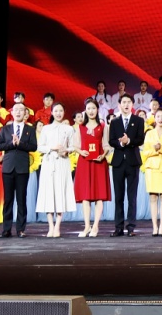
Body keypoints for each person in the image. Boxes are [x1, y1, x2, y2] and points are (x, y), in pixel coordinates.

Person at [36, 102, 77, 238]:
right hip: (48, 163)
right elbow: (40, 147)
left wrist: (66, 150)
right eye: (56, 111)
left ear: (64, 112)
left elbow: (73, 146)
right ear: (52, 112)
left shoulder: (69, 129)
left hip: (62, 163)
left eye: (61, 111)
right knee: (49, 194)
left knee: (60, 193)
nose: (58, 113)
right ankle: (50, 226)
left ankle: (58, 226)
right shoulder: (46, 128)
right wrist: (51, 148)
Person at [0, 103, 37, 237]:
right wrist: (11, 144)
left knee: (21, 199)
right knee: (8, 200)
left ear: (25, 113)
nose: (18, 112)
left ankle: (20, 229)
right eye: (16, 110)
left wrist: (20, 144)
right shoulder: (5, 129)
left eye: (21, 110)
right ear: (12, 113)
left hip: (22, 168)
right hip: (8, 168)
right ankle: (6, 229)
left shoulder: (30, 129)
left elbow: (34, 147)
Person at [108, 93, 145, 236]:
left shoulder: (138, 120)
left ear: (132, 104)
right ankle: (118, 227)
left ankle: (130, 227)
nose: (126, 104)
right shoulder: (114, 122)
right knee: (118, 196)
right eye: (123, 102)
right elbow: (111, 140)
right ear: (119, 105)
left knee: (132, 196)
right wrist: (121, 143)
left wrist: (128, 141)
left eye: (129, 102)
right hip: (118, 162)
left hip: (133, 162)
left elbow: (140, 139)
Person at [73, 98, 110, 238]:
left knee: (99, 195)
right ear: (85, 110)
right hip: (84, 163)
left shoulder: (103, 126)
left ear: (97, 109)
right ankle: (87, 226)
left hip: (99, 163)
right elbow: (75, 145)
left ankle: (95, 226)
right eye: (88, 108)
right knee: (85, 196)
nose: (91, 111)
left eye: (93, 108)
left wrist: (103, 155)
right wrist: (81, 151)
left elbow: (106, 145)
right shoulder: (80, 127)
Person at [142, 107, 162, 236]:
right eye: (158, 116)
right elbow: (145, 152)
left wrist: (161, 148)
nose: (160, 119)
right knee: (153, 197)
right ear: (154, 118)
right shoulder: (149, 133)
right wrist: (155, 150)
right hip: (152, 167)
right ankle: (154, 227)